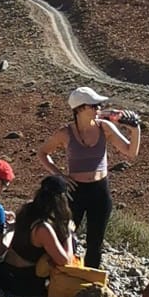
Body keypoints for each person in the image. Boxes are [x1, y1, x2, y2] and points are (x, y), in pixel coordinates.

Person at [42, 87, 140, 269]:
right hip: (75, 191)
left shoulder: (105, 127)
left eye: (99, 105)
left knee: (95, 242)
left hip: (99, 191)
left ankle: (90, 280)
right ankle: (61, 275)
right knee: (66, 235)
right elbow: (43, 153)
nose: (98, 109)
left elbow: (130, 152)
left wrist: (135, 130)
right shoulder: (65, 133)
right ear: (79, 109)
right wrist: (60, 175)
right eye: (93, 105)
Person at [3, 175, 77, 297]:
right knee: (70, 242)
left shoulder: (28, 209)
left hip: (9, 270)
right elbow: (65, 260)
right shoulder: (43, 228)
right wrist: (69, 233)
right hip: (24, 281)